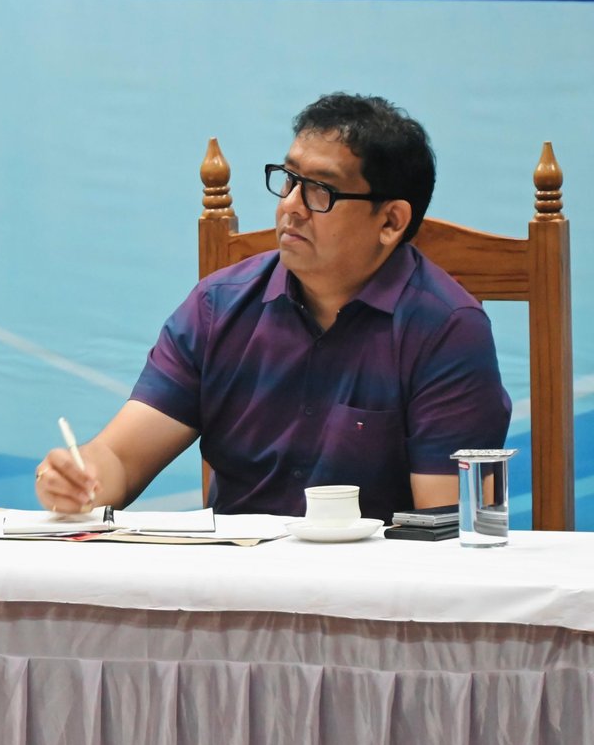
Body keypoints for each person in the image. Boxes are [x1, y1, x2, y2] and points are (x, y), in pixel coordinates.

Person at [36, 93, 510, 524]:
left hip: (373, 584)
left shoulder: (446, 331)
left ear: (390, 221)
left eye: (321, 190)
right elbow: (120, 460)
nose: (291, 206)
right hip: (233, 579)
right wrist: (79, 479)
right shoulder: (218, 308)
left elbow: (449, 529)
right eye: (289, 180)